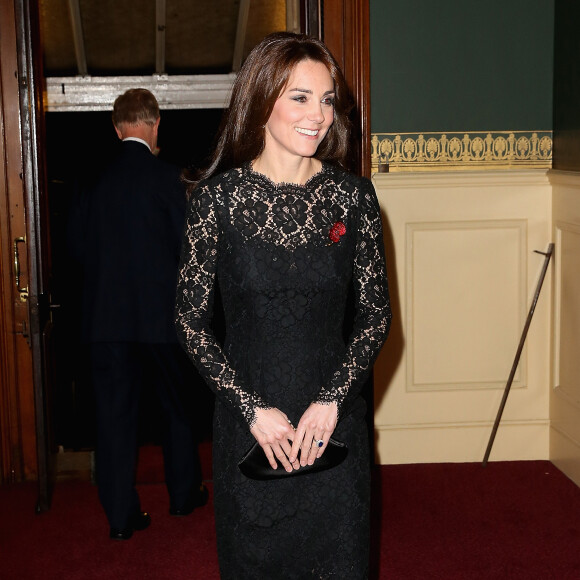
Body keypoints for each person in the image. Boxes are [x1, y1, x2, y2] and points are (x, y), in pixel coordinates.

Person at [176, 32, 392, 578]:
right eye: (299, 97)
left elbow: (375, 317)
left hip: (334, 422)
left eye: (325, 99)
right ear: (261, 98)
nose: (317, 115)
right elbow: (191, 322)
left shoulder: (354, 198)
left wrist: (333, 400)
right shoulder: (217, 203)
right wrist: (252, 410)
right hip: (252, 428)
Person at [68, 88, 207, 540]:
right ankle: (184, 498)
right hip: (163, 319)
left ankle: (122, 518)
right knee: (177, 410)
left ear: (116, 127)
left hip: (106, 322)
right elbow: (190, 254)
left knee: (113, 419)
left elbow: (77, 251)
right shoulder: (172, 180)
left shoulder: (91, 182)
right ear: (155, 123)